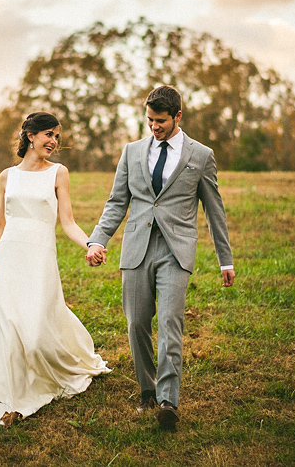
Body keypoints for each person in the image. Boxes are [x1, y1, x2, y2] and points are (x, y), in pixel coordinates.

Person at [86, 85, 234, 427]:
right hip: (137, 248)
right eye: (150, 120)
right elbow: (116, 203)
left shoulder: (201, 155)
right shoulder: (131, 152)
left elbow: (215, 211)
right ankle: (147, 392)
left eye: (162, 121)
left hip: (176, 250)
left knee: (170, 323)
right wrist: (97, 240)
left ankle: (168, 402)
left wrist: (224, 260)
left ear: (178, 117)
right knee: (137, 322)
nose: (155, 127)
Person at [0, 111, 111, 427]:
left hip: (39, 259)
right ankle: (11, 400)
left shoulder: (58, 173)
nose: (53, 141)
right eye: (48, 134)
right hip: (9, 257)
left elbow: (67, 222)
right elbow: (0, 224)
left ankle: (66, 367)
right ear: (30, 135)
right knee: (8, 332)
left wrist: (90, 244)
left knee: (36, 334)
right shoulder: (6, 176)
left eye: (56, 136)